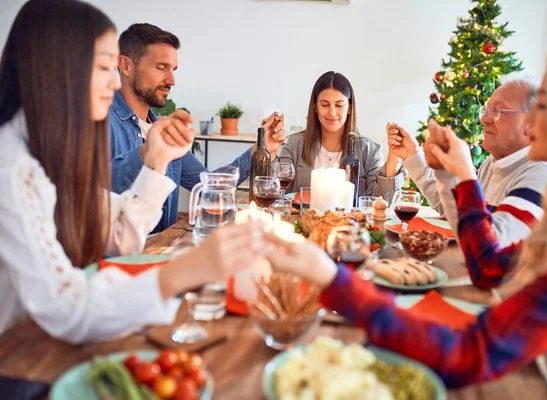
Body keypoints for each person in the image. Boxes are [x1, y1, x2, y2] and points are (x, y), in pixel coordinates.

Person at [266, 36, 547, 399]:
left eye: (545, 104)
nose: (532, 115)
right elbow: (492, 269)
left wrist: (334, 279)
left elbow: (468, 354)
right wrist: (449, 174)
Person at [0, 0, 270, 344]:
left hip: (50, 341)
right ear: (57, 70)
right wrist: (183, 270)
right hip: (18, 355)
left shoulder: (56, 151)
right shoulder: (12, 166)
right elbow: (63, 306)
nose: (112, 85)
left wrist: (158, 159)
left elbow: (120, 239)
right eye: (102, 68)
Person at [110, 23, 286, 232]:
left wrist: (261, 145)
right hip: (115, 260)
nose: (172, 80)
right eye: (161, 67)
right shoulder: (100, 123)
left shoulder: (163, 130)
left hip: (158, 255)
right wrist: (149, 153)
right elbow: (96, 194)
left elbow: (209, 186)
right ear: (126, 65)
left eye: (173, 70)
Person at [388, 78, 547, 287]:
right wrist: (414, 156)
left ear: (531, 122)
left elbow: (489, 253)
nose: (484, 119)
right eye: (486, 109)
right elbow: (459, 213)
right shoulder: (490, 165)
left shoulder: (542, 174)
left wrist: (465, 173)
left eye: (498, 111)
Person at [279, 71, 404, 202]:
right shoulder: (295, 145)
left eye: (339, 105)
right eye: (325, 105)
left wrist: (394, 158)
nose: (332, 112)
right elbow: (275, 191)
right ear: (315, 107)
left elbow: (383, 201)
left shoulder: (369, 151)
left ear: (349, 108)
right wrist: (269, 150)